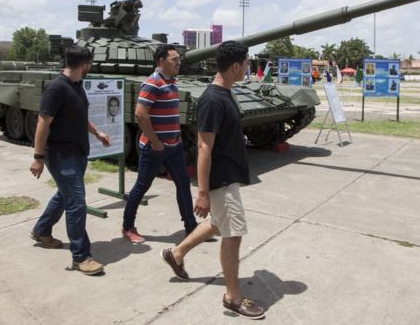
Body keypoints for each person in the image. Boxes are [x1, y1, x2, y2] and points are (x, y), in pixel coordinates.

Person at [160, 40, 265, 320]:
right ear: (234, 66)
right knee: (233, 234)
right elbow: (204, 147)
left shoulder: (225, 92)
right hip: (221, 179)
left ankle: (177, 253)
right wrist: (203, 192)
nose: (247, 68)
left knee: (218, 223)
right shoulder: (213, 99)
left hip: (227, 176)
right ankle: (233, 297)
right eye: (246, 63)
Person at [29, 45, 111, 276]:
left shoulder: (76, 86)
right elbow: (43, 122)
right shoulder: (57, 88)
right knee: (77, 202)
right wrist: (38, 157)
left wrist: (97, 133)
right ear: (85, 64)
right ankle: (81, 256)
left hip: (77, 153)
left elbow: (79, 117)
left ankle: (42, 230)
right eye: (90, 63)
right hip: (61, 155)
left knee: (65, 196)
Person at [121, 44, 198, 243]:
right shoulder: (153, 83)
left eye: (178, 59)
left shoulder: (171, 82)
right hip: (154, 148)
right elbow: (140, 113)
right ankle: (128, 227)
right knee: (141, 187)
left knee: (183, 185)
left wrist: (177, 137)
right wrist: (155, 142)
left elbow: (171, 115)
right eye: (174, 59)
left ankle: (191, 227)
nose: (178, 62)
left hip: (173, 146)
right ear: (161, 61)